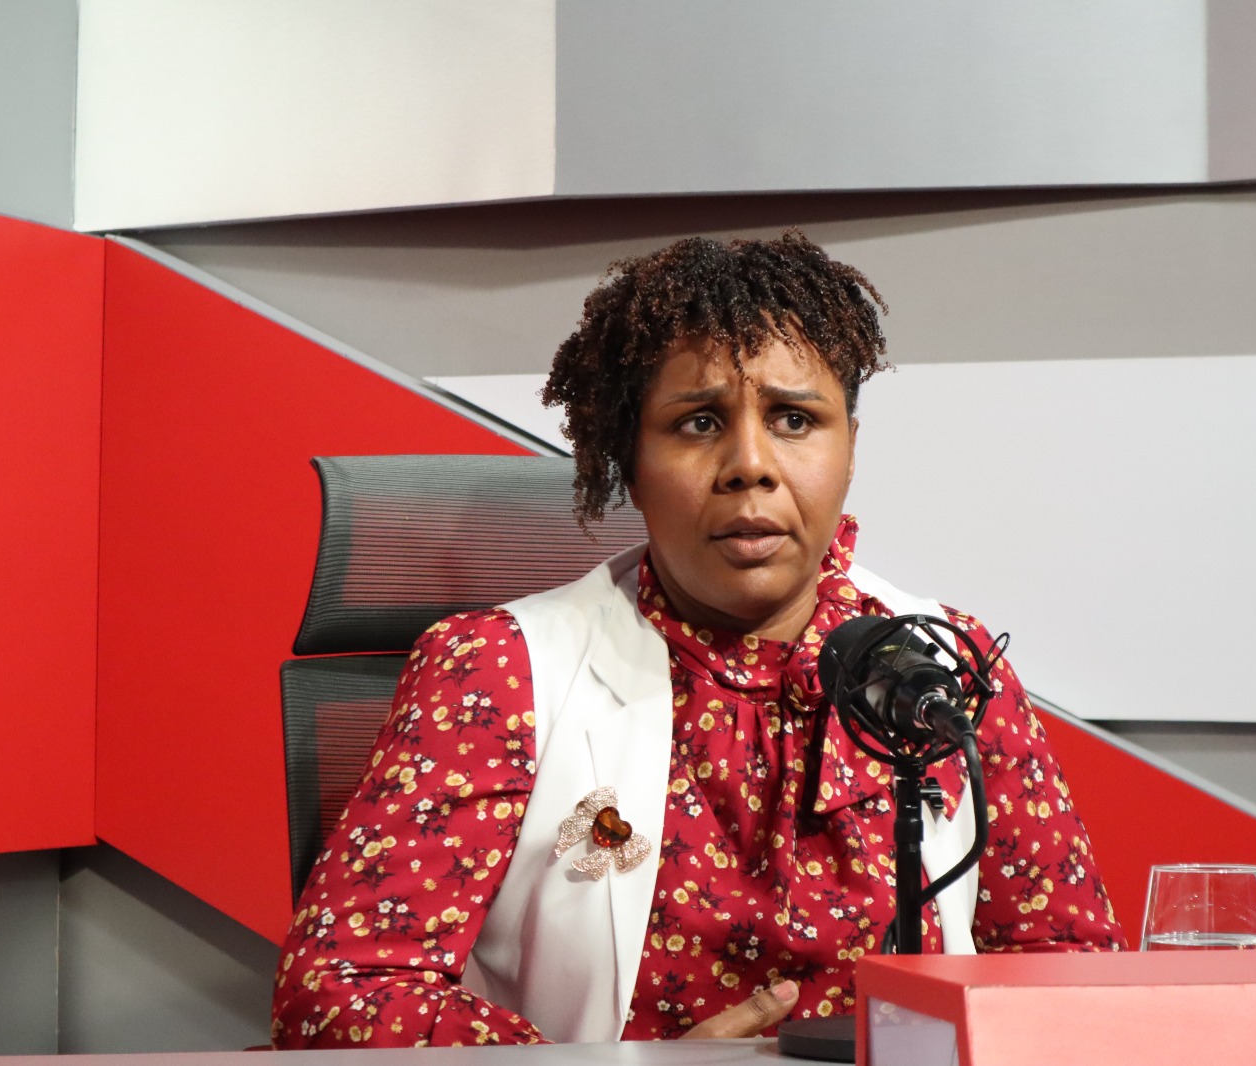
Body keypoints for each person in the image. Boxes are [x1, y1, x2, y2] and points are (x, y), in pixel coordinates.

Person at [271, 231, 1125, 1049]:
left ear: (850, 449)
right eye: (699, 423)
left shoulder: (942, 668)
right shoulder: (497, 671)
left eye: (795, 419)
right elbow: (342, 993)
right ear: (629, 463)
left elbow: (1068, 969)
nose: (750, 464)